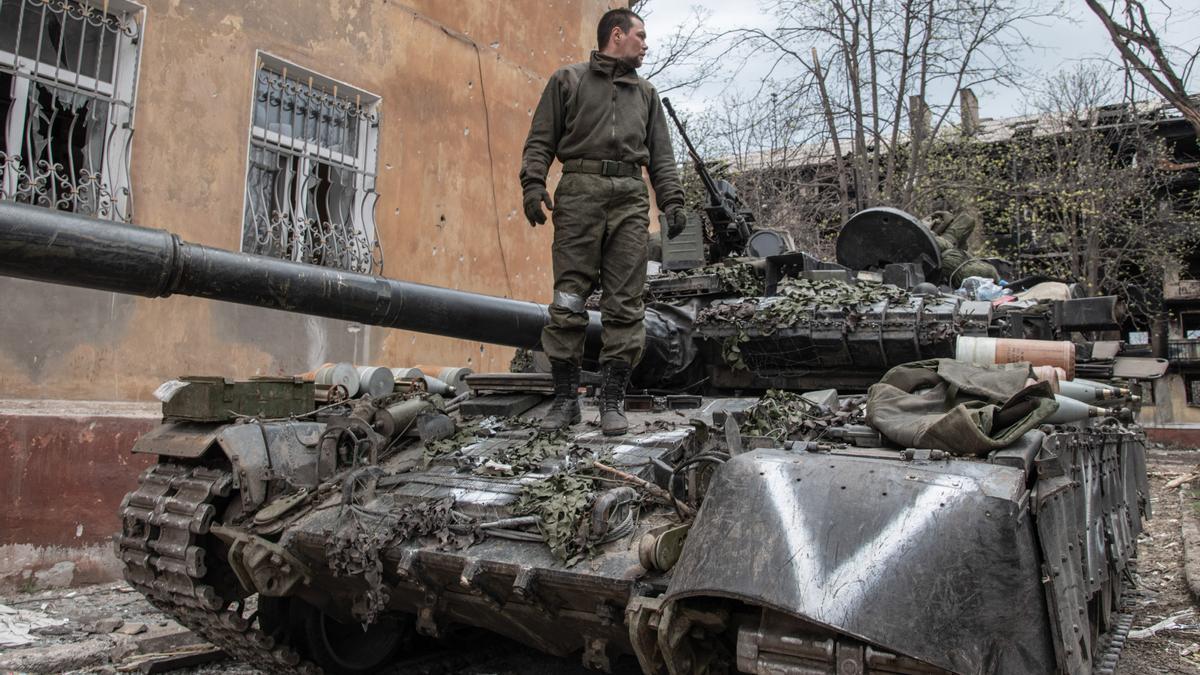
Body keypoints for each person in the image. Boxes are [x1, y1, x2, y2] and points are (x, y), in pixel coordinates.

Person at [520, 8, 686, 436]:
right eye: (641, 36)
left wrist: (672, 201)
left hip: (630, 198)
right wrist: (533, 184)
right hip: (578, 192)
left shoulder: (646, 94)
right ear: (617, 35)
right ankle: (565, 402)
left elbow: (662, 158)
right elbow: (541, 138)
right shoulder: (568, 81)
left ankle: (612, 402)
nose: (646, 45)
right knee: (569, 298)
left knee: (625, 303)